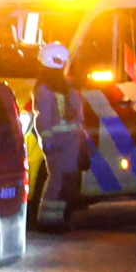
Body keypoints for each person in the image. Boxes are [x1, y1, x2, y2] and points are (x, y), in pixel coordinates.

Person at [33, 42, 84, 231]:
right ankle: (47, 221)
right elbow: (44, 120)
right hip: (60, 144)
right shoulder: (44, 90)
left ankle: (58, 218)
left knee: (66, 180)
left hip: (69, 142)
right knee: (57, 179)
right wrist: (48, 142)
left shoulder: (64, 87)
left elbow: (75, 115)